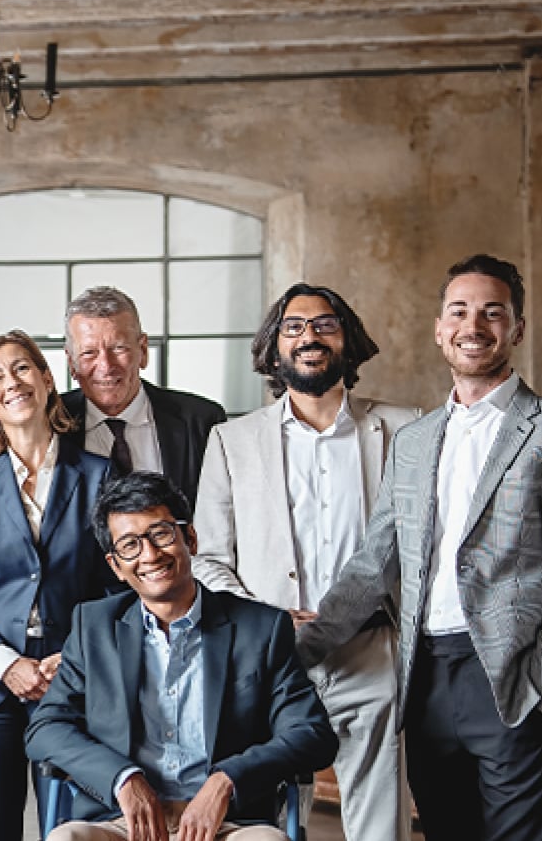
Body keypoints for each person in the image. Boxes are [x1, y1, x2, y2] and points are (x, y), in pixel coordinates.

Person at [303, 254, 542, 841]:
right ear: (440, 328)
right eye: (460, 311)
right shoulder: (415, 441)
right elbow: (374, 563)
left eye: (492, 313)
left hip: (509, 677)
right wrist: (303, 644)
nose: (474, 326)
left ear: (516, 328)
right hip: (424, 678)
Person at [188, 284, 419, 841]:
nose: (308, 336)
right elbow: (209, 561)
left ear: (349, 342)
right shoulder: (230, 440)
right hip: (271, 658)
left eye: (324, 325)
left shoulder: (406, 426)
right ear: (273, 349)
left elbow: (422, 549)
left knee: (379, 822)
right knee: (258, 820)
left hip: (371, 651)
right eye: (293, 327)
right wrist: (267, 621)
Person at [26, 472, 335, 841]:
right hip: (123, 821)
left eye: (161, 534)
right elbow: (46, 728)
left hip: (226, 823)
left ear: (189, 538)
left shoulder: (261, 628)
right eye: (130, 545)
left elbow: (312, 733)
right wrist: (123, 779)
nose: (150, 555)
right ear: (116, 566)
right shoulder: (93, 626)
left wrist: (226, 781)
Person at [0, 332, 115, 841]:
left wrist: (74, 655)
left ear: (47, 379)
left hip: (71, 679)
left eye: (21, 369)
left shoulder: (98, 475)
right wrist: (4, 663)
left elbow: (113, 585)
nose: (11, 383)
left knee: (71, 829)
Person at [60, 286, 230, 483]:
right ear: (71, 363)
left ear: (143, 350)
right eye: (89, 353)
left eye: (118, 348)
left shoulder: (201, 422)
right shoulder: (51, 423)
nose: (106, 366)